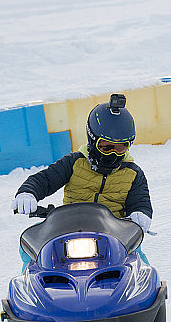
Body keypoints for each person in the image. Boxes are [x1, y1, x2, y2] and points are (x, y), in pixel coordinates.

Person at [11, 94, 153, 264]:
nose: (114, 153)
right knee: (31, 247)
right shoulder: (74, 163)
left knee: (139, 260)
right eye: (106, 147)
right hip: (69, 229)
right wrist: (28, 192)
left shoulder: (133, 173)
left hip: (115, 234)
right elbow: (45, 179)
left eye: (121, 147)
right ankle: (31, 279)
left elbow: (140, 201)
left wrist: (141, 214)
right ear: (92, 140)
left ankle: (144, 281)